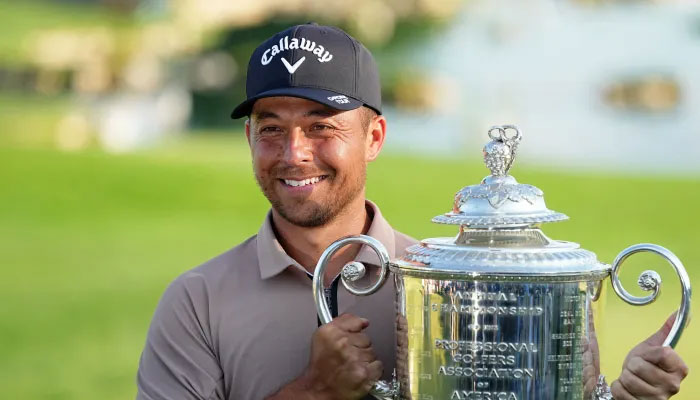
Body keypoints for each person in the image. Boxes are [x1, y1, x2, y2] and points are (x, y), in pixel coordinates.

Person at [136, 23, 688, 400]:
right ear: (250, 138)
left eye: (321, 126)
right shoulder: (197, 301)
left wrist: (613, 394)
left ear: (373, 137)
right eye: (271, 129)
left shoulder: (454, 286)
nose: (294, 153)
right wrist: (315, 390)